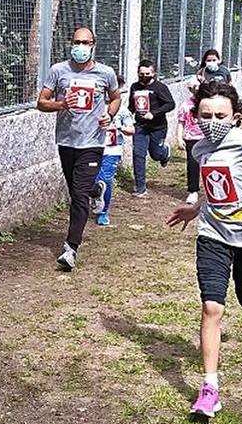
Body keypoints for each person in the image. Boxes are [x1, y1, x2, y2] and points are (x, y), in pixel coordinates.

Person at [167, 82, 242, 419]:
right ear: (196, 117)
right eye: (205, 115)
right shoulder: (199, 150)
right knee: (211, 308)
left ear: (235, 117)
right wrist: (196, 208)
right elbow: (214, 185)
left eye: (220, 115)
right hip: (213, 235)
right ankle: (210, 389)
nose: (212, 120)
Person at [37, 27, 120, 271]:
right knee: (78, 189)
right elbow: (41, 102)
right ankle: (98, 188)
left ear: (93, 45)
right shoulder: (58, 71)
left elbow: (115, 97)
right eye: (77, 42)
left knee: (78, 197)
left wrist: (109, 115)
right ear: (70, 43)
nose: (80, 47)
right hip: (66, 141)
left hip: (93, 142)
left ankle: (71, 248)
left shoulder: (105, 73)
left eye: (86, 43)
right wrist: (61, 104)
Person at [91, 75, 135, 226]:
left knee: (106, 181)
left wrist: (119, 127)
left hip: (112, 151)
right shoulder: (92, 106)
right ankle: (95, 201)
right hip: (92, 149)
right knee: (92, 180)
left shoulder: (122, 111)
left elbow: (131, 129)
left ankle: (103, 212)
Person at [129, 59, 176, 197]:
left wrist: (154, 113)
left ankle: (164, 152)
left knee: (155, 155)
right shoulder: (134, 87)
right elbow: (131, 106)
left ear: (153, 73)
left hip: (158, 126)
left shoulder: (160, 87)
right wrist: (125, 118)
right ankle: (140, 187)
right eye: (141, 74)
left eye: (147, 73)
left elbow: (170, 104)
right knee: (138, 154)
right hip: (140, 126)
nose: (144, 76)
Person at [176, 77, 204, 204]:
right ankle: (193, 191)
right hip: (191, 138)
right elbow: (181, 122)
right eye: (194, 88)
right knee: (193, 164)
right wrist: (179, 137)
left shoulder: (208, 103)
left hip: (207, 138)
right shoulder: (186, 105)